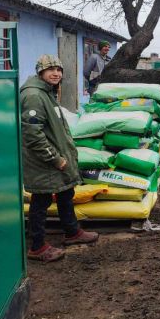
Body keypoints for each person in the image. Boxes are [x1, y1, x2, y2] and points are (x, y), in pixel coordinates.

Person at [22, 55, 99, 262]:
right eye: (50, 69)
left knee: (66, 192)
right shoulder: (34, 96)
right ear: (40, 72)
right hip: (44, 161)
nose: (56, 73)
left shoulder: (47, 93)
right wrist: (55, 159)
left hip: (56, 157)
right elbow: (32, 135)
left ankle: (72, 232)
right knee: (41, 199)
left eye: (59, 69)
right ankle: (37, 247)